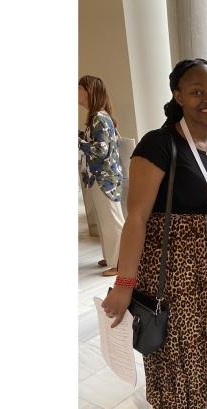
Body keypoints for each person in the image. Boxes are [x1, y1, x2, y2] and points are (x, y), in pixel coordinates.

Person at [101, 59, 207, 409]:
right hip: (173, 267)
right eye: (197, 91)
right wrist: (125, 285)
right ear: (178, 96)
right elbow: (137, 218)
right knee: (180, 347)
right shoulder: (159, 144)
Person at [78, 75, 125, 277]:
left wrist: (78, 142)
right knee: (106, 220)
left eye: (79, 89)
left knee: (113, 221)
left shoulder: (99, 117)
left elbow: (100, 150)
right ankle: (111, 257)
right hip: (101, 177)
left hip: (105, 179)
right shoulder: (97, 116)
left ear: (90, 92)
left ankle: (121, 263)